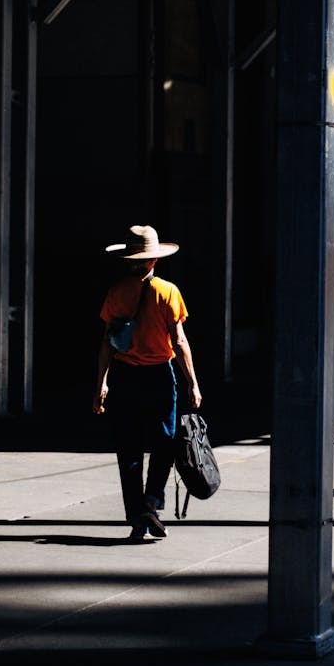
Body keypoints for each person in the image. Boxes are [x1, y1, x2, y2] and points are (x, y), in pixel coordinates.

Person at [93, 224, 202, 542]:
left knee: (128, 450)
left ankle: (137, 517)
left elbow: (106, 343)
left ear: (129, 259)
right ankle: (152, 502)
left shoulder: (116, 293)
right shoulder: (168, 292)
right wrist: (193, 383)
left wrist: (101, 384)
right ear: (154, 260)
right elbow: (179, 342)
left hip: (125, 377)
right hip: (159, 376)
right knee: (164, 443)